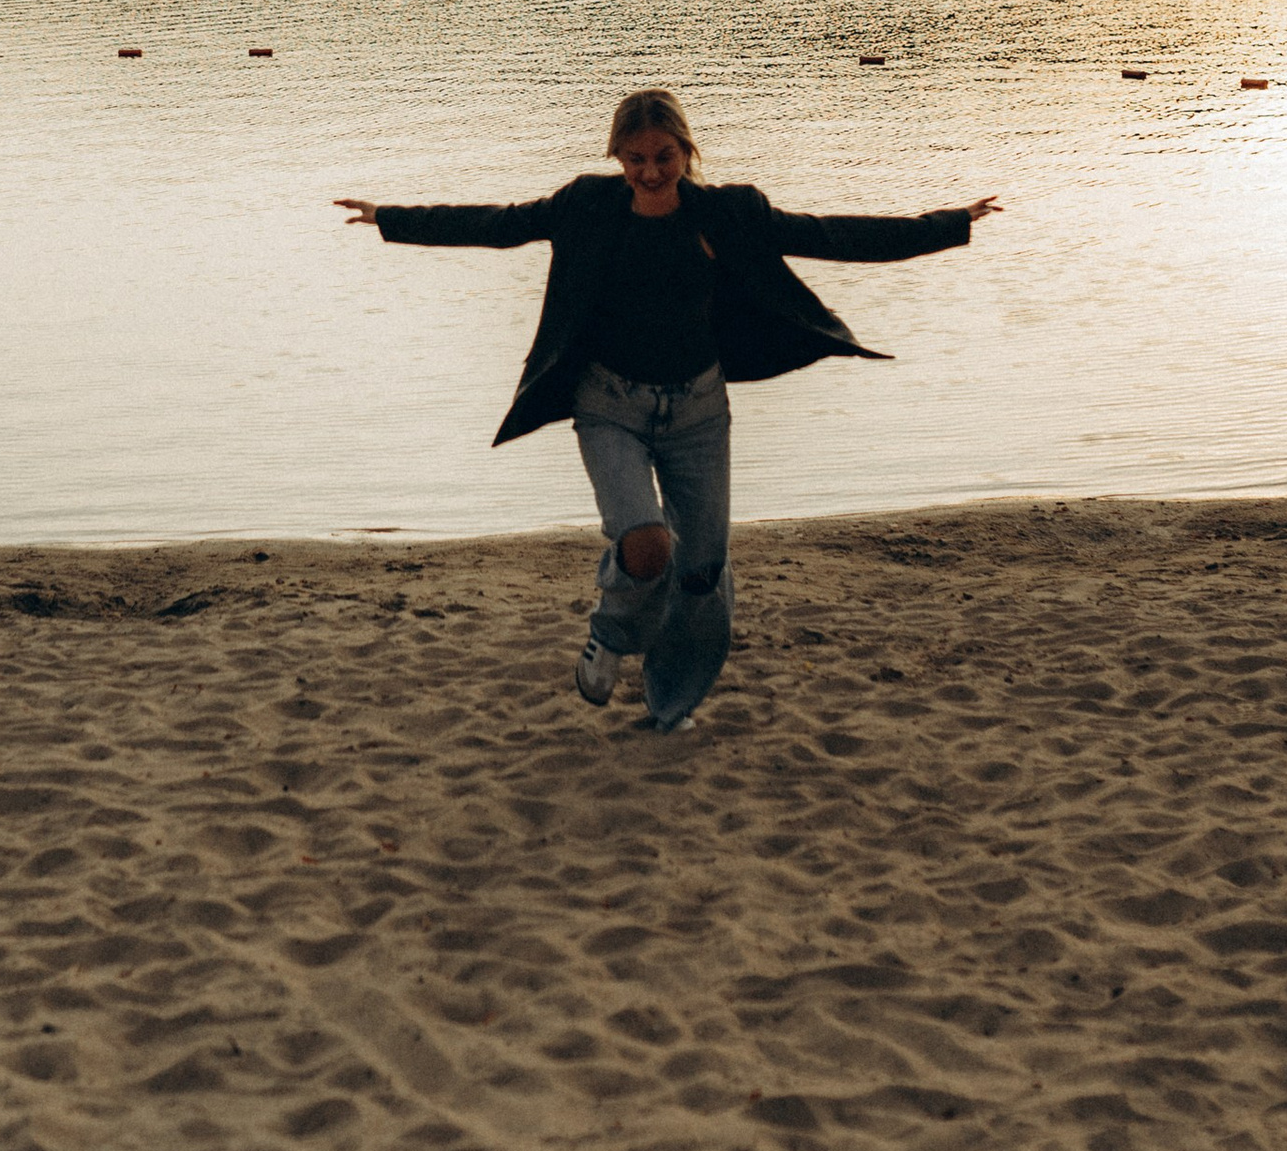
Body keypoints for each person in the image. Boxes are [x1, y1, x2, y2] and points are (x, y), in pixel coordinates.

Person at [338, 90, 999, 733]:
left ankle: (670, 706)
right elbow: (499, 224)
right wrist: (389, 217)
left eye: (663, 157)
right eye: (635, 159)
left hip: (699, 414)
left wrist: (949, 223)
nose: (650, 172)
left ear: (686, 151)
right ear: (616, 157)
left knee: (703, 572)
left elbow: (831, 235)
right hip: (609, 407)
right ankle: (611, 634)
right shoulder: (586, 204)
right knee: (647, 545)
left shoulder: (727, 213)